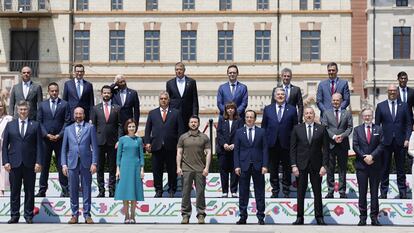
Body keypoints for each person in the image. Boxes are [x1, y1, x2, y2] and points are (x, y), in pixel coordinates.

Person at [2, 100, 43, 224]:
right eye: (21, 109)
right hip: (14, 163)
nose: (23, 111)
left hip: (30, 164)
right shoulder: (10, 125)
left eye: (25, 109)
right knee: (15, 191)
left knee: (29, 191)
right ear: (17, 110)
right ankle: (14, 215)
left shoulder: (35, 125)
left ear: (28, 110)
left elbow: (39, 146)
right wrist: (6, 162)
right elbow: (5, 146)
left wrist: (38, 162)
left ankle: (28, 215)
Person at [290, 107, 328, 225]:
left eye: (311, 113)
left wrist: (324, 166)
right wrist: (293, 165)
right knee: (300, 192)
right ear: (303, 116)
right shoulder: (297, 129)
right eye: (306, 113)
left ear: (314, 114)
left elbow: (326, 149)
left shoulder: (321, 129)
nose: (308, 115)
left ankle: (319, 217)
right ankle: (299, 217)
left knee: (317, 192)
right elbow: (293, 149)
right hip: (301, 165)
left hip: (317, 166)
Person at [61, 107, 98, 224]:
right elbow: (64, 149)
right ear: (73, 115)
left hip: (86, 162)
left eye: (80, 114)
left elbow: (95, 147)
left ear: (84, 115)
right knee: (73, 189)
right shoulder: (68, 129)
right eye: (76, 114)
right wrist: (63, 164)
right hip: (72, 163)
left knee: (87, 189)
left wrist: (94, 163)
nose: (78, 116)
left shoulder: (90, 127)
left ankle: (87, 215)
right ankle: (74, 214)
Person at [144, 91, 184, 198]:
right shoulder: (152, 113)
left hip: (171, 146)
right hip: (156, 146)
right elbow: (147, 130)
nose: (163, 100)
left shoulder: (176, 113)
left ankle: (172, 190)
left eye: (165, 98)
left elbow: (180, 130)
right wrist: (147, 142)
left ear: (168, 100)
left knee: (172, 169)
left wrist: (180, 145)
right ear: (159, 100)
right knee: (157, 170)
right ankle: (158, 190)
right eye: (161, 98)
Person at [375, 84, 411, 199]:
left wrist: (407, 138)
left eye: (394, 90)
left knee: (401, 169)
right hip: (385, 142)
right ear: (387, 91)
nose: (392, 92)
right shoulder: (381, 106)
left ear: (397, 92)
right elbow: (377, 125)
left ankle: (403, 192)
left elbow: (409, 124)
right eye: (390, 90)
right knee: (384, 168)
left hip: (401, 142)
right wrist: (378, 141)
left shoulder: (405, 106)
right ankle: (384, 192)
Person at [36, 82, 71, 197]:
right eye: (52, 91)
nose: (54, 93)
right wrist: (46, 134)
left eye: (56, 91)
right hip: (45, 140)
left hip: (60, 140)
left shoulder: (65, 104)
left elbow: (67, 121)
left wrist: (60, 135)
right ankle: (42, 190)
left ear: (58, 91)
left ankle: (65, 190)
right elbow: (39, 122)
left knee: (62, 165)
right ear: (48, 91)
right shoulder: (42, 105)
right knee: (44, 165)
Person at [234, 110, 268, 225]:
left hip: (258, 166)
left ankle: (260, 216)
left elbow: (265, 149)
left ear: (255, 119)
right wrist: (237, 166)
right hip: (243, 166)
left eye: (251, 117)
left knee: (260, 192)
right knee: (243, 192)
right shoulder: (239, 132)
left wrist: (265, 165)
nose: (249, 119)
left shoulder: (261, 132)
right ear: (245, 118)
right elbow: (237, 151)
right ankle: (243, 216)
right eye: (247, 117)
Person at [262, 87, 298, 198]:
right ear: (274, 96)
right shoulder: (268, 109)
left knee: (287, 169)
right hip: (272, 144)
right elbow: (264, 127)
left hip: (286, 144)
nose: (280, 96)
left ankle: (286, 191)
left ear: (285, 96)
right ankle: (275, 191)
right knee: (273, 168)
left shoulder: (292, 109)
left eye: (282, 94)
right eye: (278, 94)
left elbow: (295, 128)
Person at [177, 115, 211, 224]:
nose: (193, 124)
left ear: (198, 123)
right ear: (188, 124)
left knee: (200, 193)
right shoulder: (183, 137)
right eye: (191, 122)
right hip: (186, 169)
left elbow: (209, 153)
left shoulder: (204, 137)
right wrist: (178, 167)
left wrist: (206, 168)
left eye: (195, 122)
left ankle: (201, 214)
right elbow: (179, 153)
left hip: (200, 170)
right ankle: (185, 215)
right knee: (185, 193)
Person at [353, 108, 383, 226]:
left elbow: (382, 145)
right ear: (362, 117)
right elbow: (355, 145)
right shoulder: (357, 130)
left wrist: (372, 156)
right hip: (362, 166)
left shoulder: (379, 129)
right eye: (365, 116)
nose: (367, 117)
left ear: (372, 116)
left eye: (369, 115)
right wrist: (364, 157)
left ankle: (374, 217)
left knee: (375, 192)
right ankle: (363, 217)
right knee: (362, 192)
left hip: (375, 165)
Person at [91, 85, 122, 198]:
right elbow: (93, 126)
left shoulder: (117, 108)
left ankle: (112, 190)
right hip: (99, 142)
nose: (106, 95)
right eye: (104, 93)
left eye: (108, 93)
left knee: (112, 167)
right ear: (101, 94)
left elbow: (120, 125)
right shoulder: (95, 108)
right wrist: (92, 142)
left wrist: (119, 140)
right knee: (100, 167)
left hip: (113, 142)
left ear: (111, 94)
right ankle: (101, 190)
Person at [321, 93, 353, 198]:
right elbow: (324, 127)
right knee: (330, 168)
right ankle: (330, 191)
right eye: (334, 100)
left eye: (337, 100)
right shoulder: (326, 113)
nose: (335, 102)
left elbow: (350, 127)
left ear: (341, 101)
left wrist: (342, 136)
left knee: (342, 169)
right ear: (331, 101)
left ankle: (342, 191)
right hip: (330, 144)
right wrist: (334, 136)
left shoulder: (347, 113)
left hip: (343, 144)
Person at [115, 119, 144, 224]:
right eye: (130, 126)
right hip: (124, 166)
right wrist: (118, 169)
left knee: (134, 192)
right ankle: (126, 215)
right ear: (126, 128)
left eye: (133, 126)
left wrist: (142, 169)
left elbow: (141, 155)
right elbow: (118, 156)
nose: (131, 128)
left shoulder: (139, 140)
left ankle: (133, 215)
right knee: (126, 192)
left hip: (135, 167)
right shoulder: (122, 139)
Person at [216, 102, 243, 198]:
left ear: (235, 110)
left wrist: (234, 144)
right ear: (226, 110)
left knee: (234, 171)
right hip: (223, 150)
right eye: (228, 108)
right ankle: (224, 191)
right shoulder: (222, 120)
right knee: (223, 171)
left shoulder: (239, 120)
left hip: (235, 150)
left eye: (232, 108)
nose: (230, 110)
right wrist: (224, 144)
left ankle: (234, 190)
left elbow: (240, 134)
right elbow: (219, 134)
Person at [166, 62, 199, 132]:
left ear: (184, 70)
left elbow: (194, 100)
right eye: (177, 69)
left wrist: (195, 115)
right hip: (174, 114)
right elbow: (167, 100)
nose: (178, 71)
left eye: (180, 69)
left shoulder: (191, 82)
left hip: (188, 115)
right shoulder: (170, 83)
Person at [0, 99, 13, 196]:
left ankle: (2, 191)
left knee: (3, 169)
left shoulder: (9, 118)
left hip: (4, 148)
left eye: (1, 106)